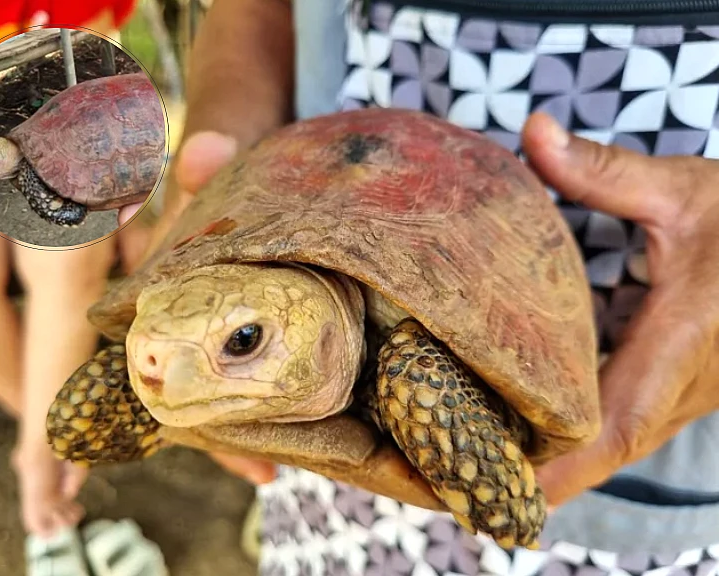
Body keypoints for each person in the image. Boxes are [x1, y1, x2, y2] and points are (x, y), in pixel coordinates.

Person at [153, 0, 719, 574]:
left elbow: (424, 387)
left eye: (246, 340)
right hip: (326, 501)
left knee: (414, 375)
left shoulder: (413, 370)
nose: (154, 370)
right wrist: (227, 134)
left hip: (657, 365)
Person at [0, 2, 165, 574]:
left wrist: (133, 189)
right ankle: (66, 438)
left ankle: (40, 456)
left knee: (68, 253)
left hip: (65, 131)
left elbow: (101, 66)